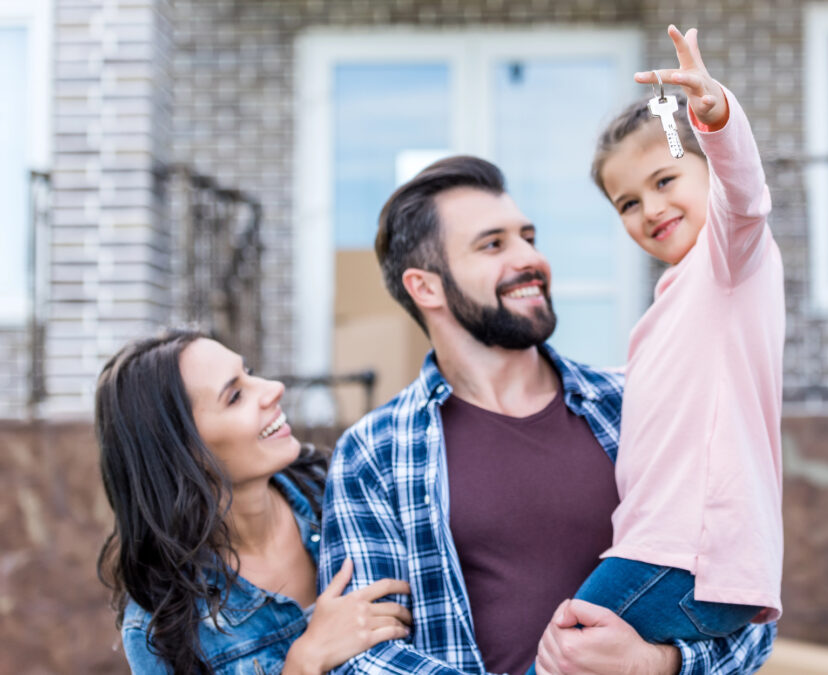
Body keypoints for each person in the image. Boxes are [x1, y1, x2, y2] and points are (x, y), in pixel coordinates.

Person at [317, 160, 776, 670]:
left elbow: (748, 607)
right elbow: (361, 658)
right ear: (426, 287)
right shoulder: (375, 451)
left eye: (528, 237)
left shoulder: (633, 404)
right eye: (493, 245)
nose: (530, 259)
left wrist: (655, 665)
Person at [529, 25, 785, 672]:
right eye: (628, 202)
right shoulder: (674, 302)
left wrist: (714, 117)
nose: (651, 208)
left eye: (667, 179)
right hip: (671, 552)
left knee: (561, 657)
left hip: (682, 553)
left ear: (706, 170)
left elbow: (746, 198)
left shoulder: (731, 262)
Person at [96, 329, 413, 674]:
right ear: (181, 453)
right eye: (235, 396)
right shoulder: (160, 627)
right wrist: (304, 662)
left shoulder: (350, 491)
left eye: (248, 372)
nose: (273, 388)